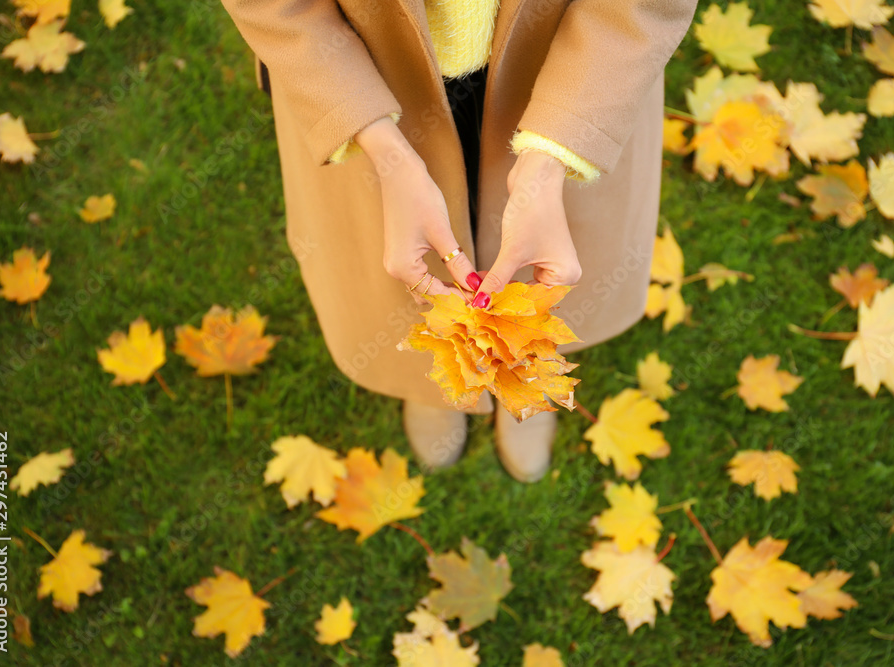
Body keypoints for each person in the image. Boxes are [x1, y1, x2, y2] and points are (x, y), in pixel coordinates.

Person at [220, 0, 698, 482]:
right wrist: (384, 149)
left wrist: (553, 156)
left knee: (546, 255)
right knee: (405, 263)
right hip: (368, 66)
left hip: (561, 55)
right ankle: (431, 382)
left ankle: (527, 369)